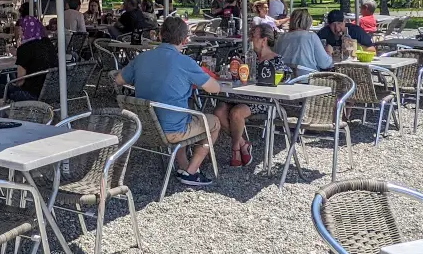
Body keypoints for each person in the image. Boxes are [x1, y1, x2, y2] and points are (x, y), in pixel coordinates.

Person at [113, 16, 222, 186]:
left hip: (142, 127)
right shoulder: (186, 62)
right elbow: (215, 88)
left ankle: (183, 165)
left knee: (184, 110)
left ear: (160, 35)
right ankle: (191, 171)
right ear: (185, 39)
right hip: (171, 131)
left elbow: (119, 79)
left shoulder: (142, 58)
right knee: (214, 122)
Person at [213, 23, 294, 167]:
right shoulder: (249, 57)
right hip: (241, 96)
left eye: (254, 36)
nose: (251, 39)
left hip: (263, 100)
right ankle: (244, 144)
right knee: (219, 110)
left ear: (264, 40)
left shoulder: (275, 60)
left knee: (236, 113)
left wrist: (277, 77)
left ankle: (235, 149)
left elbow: (286, 75)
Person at [2, 16, 58, 102]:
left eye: (20, 30)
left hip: (32, 93)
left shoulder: (24, 48)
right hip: (53, 91)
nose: (19, 32)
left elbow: (20, 81)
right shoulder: (48, 44)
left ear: (24, 30)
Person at [274, 9, 333, 73]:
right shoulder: (311, 37)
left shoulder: (281, 38)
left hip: (285, 78)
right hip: (307, 79)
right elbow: (325, 64)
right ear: (308, 22)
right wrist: (329, 52)